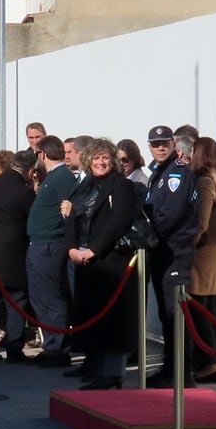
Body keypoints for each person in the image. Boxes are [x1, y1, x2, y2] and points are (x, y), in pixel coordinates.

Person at [65, 139, 141, 390]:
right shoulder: (85, 185)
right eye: (96, 158)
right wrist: (72, 249)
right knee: (92, 317)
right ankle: (95, 366)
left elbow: (117, 222)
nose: (100, 162)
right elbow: (71, 217)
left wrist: (93, 251)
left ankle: (112, 374)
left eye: (105, 157)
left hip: (110, 263)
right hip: (86, 262)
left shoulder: (122, 186)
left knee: (113, 320)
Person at [144, 125, 203, 387]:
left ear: (173, 144)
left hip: (175, 251)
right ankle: (171, 368)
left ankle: (183, 372)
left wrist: (149, 233)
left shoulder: (176, 173)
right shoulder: (158, 173)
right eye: (155, 144)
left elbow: (172, 214)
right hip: (162, 252)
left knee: (176, 313)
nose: (160, 148)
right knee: (167, 315)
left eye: (164, 143)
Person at [26, 135, 77, 367]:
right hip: (42, 243)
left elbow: (67, 211)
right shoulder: (54, 177)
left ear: (43, 154)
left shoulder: (62, 177)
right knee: (42, 297)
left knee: (50, 298)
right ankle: (51, 345)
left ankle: (57, 348)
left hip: (49, 245)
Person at [0, 149, 35, 361]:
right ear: (29, 171)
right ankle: (14, 349)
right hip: (14, 253)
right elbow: (30, 219)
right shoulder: (25, 192)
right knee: (16, 303)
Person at [189, 137, 216, 383]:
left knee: (200, 308)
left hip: (205, 252)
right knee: (207, 307)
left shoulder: (205, 180)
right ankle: (210, 360)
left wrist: (189, 244)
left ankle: (210, 362)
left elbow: (202, 221)